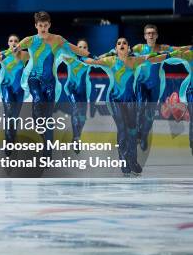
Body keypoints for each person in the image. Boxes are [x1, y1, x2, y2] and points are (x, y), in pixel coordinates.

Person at [82, 38, 172, 175]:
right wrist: (80, 58)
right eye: (119, 44)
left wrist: (169, 55)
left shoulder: (134, 61)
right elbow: (93, 62)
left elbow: (152, 58)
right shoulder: (111, 61)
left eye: (124, 43)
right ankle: (124, 161)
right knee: (122, 129)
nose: (122, 45)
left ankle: (133, 161)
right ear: (116, 49)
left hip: (131, 100)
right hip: (114, 100)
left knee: (132, 131)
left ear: (129, 48)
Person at [13, 11, 90, 157]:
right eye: (40, 25)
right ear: (36, 25)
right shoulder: (29, 40)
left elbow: (76, 49)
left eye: (45, 25)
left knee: (48, 119)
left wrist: (93, 57)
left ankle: (47, 150)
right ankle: (37, 120)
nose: (43, 28)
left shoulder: (57, 39)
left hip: (51, 82)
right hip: (34, 78)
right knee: (37, 98)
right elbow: (11, 51)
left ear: (49, 25)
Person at [131, 25, 177, 150]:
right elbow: (122, 53)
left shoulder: (163, 48)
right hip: (142, 83)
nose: (150, 35)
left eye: (153, 33)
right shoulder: (139, 48)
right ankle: (138, 131)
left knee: (150, 113)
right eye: (148, 33)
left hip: (156, 85)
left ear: (157, 35)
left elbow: (179, 50)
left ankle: (144, 135)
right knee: (140, 107)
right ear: (145, 36)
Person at [0, 35, 29, 155]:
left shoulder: (24, 55)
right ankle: (8, 141)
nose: (14, 43)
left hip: (19, 90)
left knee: (14, 117)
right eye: (11, 41)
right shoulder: (3, 55)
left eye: (16, 41)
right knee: (9, 113)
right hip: (7, 88)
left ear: (19, 43)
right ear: (8, 43)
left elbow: (39, 59)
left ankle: (11, 139)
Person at [61, 40, 92, 149]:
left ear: (87, 50)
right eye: (79, 47)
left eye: (84, 47)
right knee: (76, 109)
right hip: (71, 89)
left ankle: (76, 135)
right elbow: (59, 53)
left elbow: (103, 61)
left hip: (84, 91)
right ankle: (76, 139)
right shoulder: (70, 58)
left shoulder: (89, 60)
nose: (82, 49)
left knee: (82, 117)